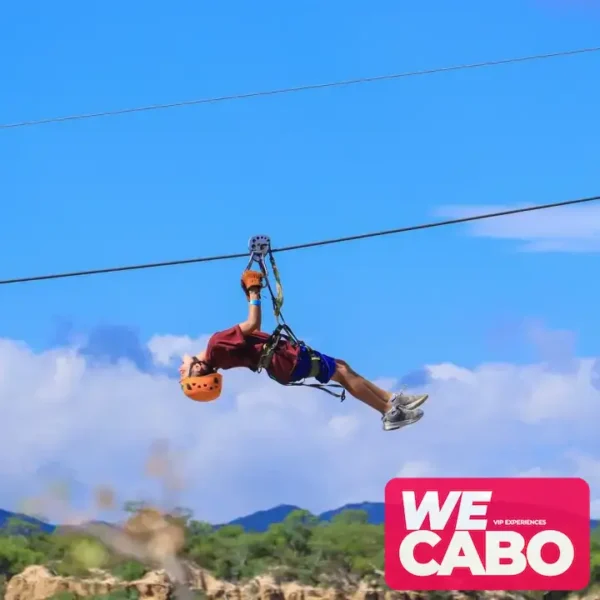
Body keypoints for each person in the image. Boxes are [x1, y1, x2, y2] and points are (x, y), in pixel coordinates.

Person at [179, 270, 428, 431]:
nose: (181, 369)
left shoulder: (218, 353)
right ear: (199, 368)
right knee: (341, 371)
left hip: (282, 363)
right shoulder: (215, 345)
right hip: (285, 360)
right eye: (184, 373)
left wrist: (250, 293)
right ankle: (388, 412)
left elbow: (249, 334)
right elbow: (253, 324)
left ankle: (390, 399)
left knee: (341, 366)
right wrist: (254, 291)